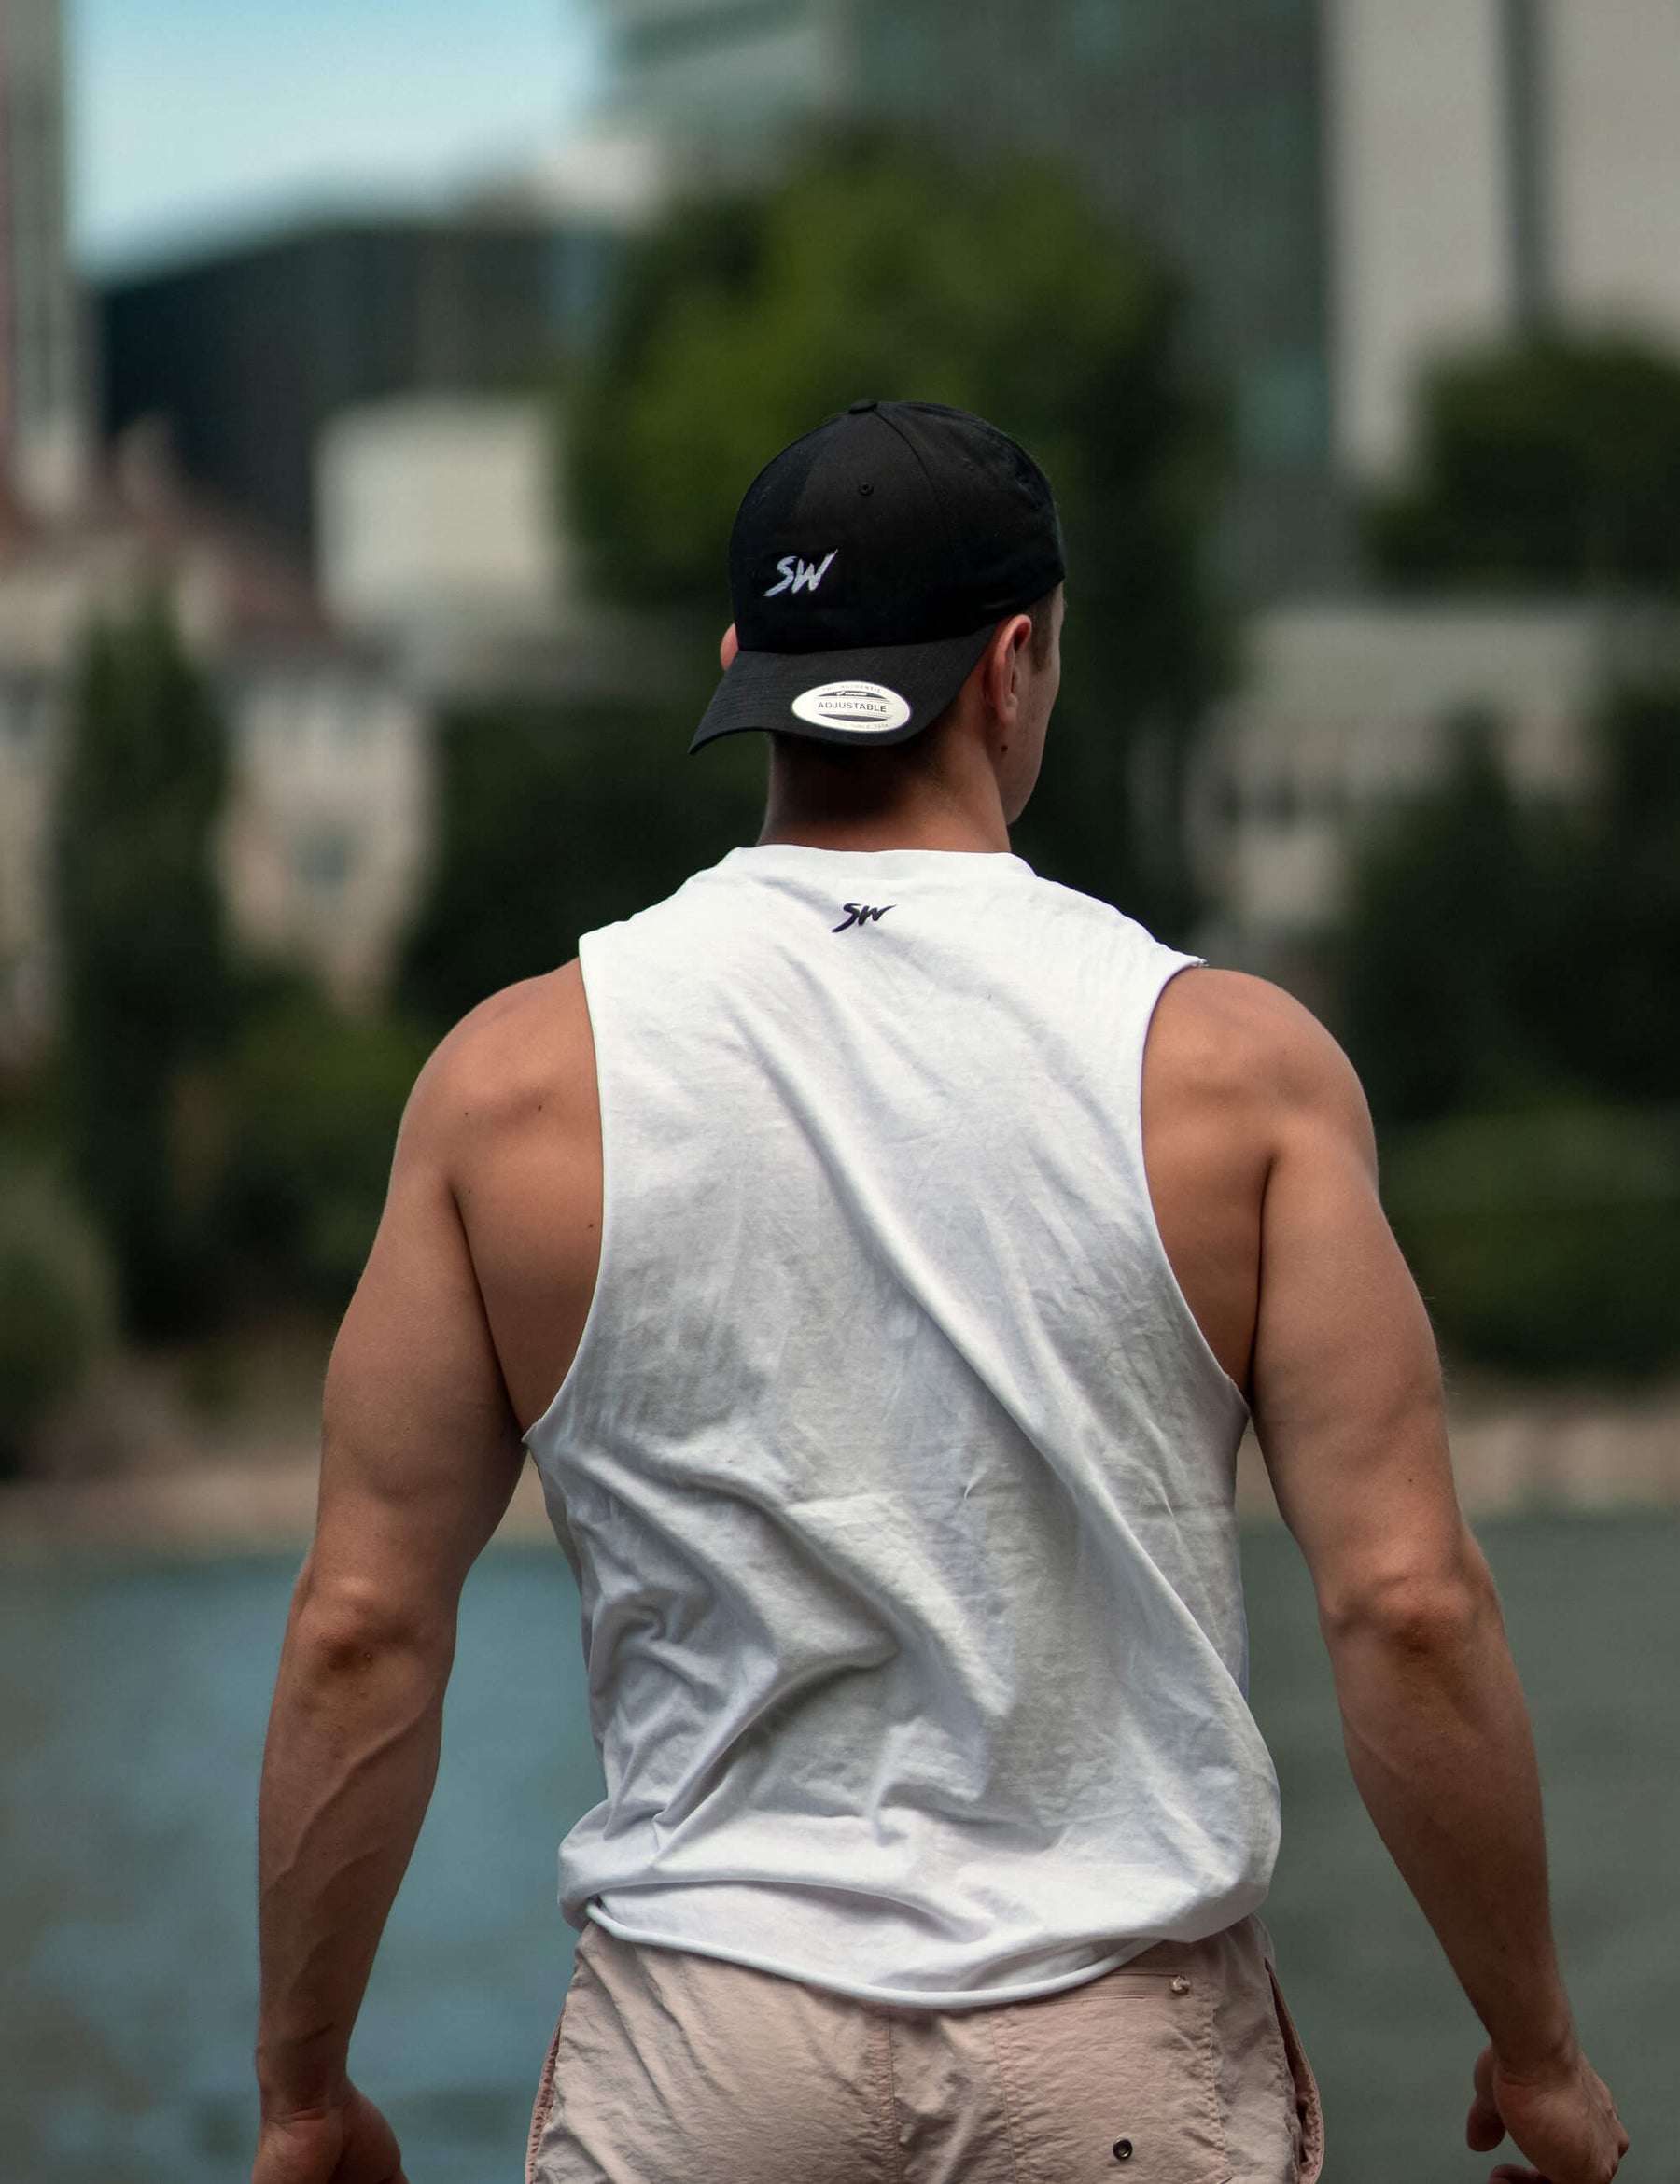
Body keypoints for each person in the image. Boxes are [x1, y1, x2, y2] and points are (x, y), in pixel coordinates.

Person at [252, 400, 1628, 2184]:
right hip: (1117, 2057)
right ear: (1013, 664)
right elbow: (1411, 1609)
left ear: (741, 662)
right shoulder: (1231, 1075)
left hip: (705, 2055)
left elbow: (362, 1631)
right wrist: (1537, 2053)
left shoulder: (515, 1089)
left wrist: (302, 2093)